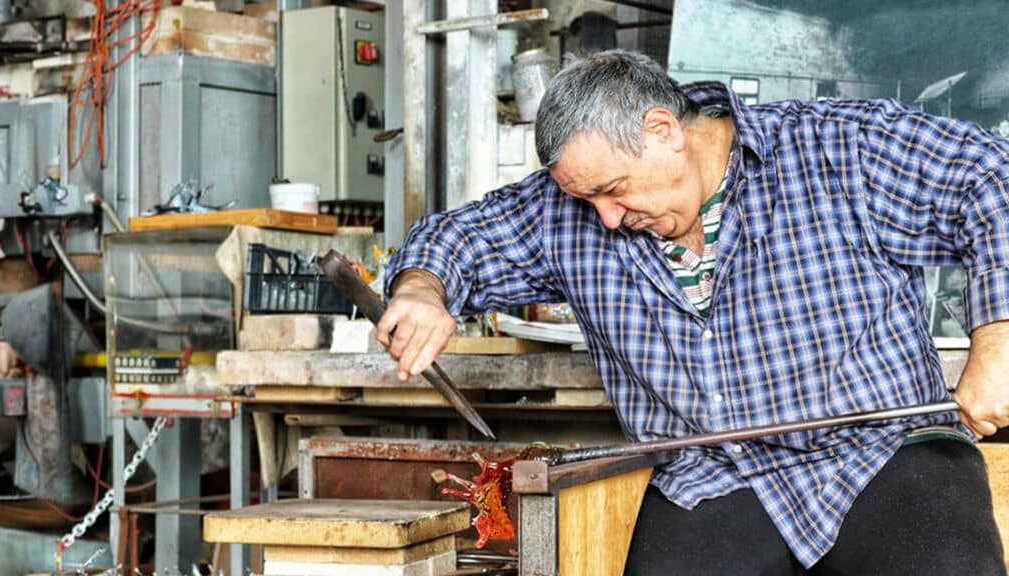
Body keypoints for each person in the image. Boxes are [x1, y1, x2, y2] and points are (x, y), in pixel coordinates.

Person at [379, 50, 1009, 574]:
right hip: (708, 477)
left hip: (881, 454)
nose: (605, 217)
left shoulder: (838, 150)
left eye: (612, 189)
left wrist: (999, 338)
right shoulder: (565, 214)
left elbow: (989, 178)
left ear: (663, 130)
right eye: (585, 198)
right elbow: (454, 238)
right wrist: (420, 290)